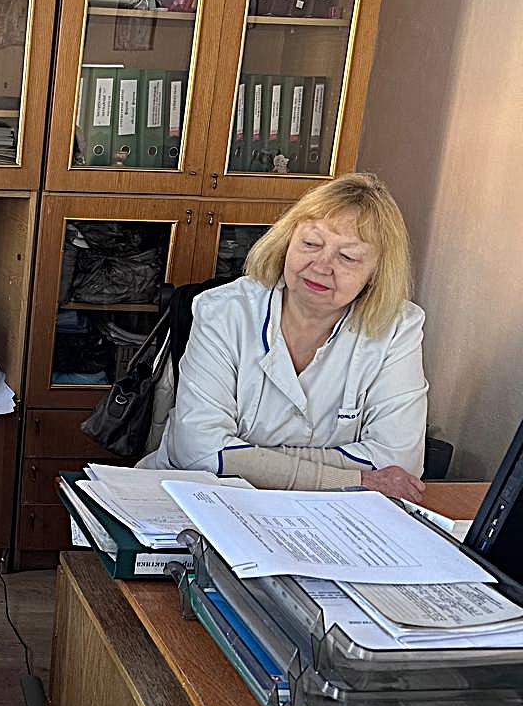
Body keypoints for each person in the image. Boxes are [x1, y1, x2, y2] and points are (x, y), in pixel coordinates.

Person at [140, 172, 428, 498]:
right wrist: (353, 477)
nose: (321, 266)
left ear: (377, 271)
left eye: (347, 257)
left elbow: (400, 461)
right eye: (310, 244)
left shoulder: (398, 328)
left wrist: (253, 459)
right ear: (286, 242)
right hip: (200, 497)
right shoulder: (223, 311)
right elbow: (198, 451)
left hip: (330, 510)